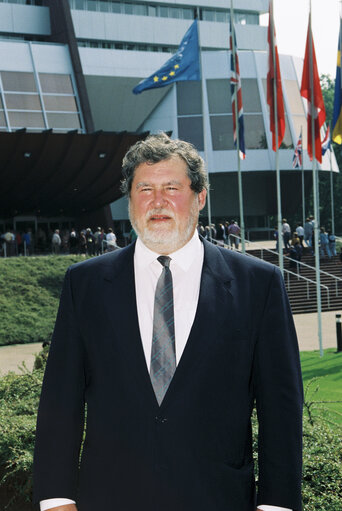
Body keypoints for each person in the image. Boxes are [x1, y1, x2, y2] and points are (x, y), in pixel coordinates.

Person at [33, 133, 303, 511]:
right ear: (130, 200)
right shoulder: (86, 284)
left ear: (200, 197)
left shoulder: (258, 285)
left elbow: (281, 409)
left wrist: (277, 505)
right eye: (144, 188)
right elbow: (61, 402)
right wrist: (56, 499)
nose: (157, 201)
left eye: (172, 187)